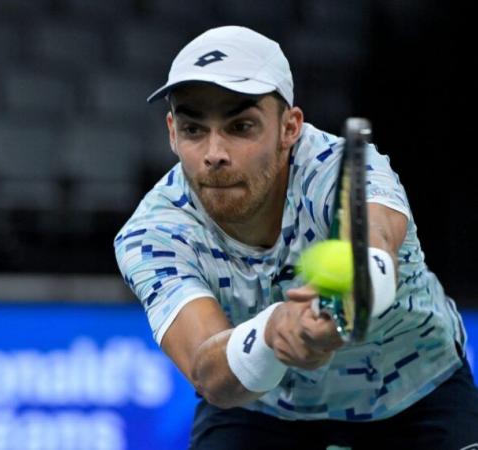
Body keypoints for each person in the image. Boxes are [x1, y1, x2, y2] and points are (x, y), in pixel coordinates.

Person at [114, 26, 478, 449]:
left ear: (290, 128)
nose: (214, 153)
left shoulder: (340, 169)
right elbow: (207, 370)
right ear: (173, 132)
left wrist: (351, 296)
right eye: (195, 130)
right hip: (262, 411)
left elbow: (374, 241)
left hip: (414, 390)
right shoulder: (152, 232)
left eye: (241, 126)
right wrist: (273, 333)